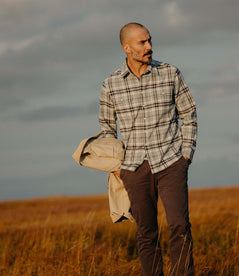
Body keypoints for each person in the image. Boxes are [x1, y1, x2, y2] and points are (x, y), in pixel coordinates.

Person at [99, 22, 197, 276]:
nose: (149, 47)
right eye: (142, 43)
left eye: (149, 40)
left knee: (179, 226)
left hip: (171, 163)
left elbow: (189, 113)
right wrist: (118, 167)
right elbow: (107, 129)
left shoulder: (170, 73)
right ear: (126, 47)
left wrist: (185, 155)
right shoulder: (111, 84)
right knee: (146, 233)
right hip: (133, 169)